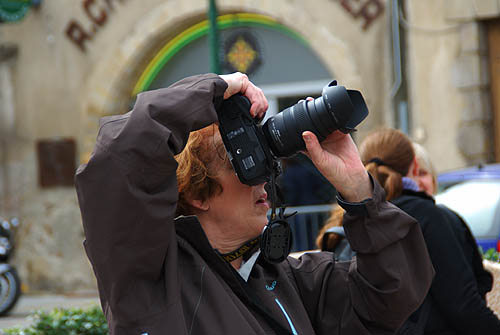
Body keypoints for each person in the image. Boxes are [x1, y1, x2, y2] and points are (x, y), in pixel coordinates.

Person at [75, 73, 433, 334]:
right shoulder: (150, 279)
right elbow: (116, 160)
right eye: (242, 163)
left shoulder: (287, 279)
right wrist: (215, 88)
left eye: (264, 161)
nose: (263, 178)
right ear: (197, 193)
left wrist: (359, 192)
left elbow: (389, 297)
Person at [359, 128, 500, 335]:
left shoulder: (356, 221)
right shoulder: (429, 217)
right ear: (414, 167)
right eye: (421, 173)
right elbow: (462, 305)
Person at [413, 142, 494, 301]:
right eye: (411, 176)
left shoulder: (451, 221)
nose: (417, 183)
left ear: (434, 179)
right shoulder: (394, 228)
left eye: (422, 173)